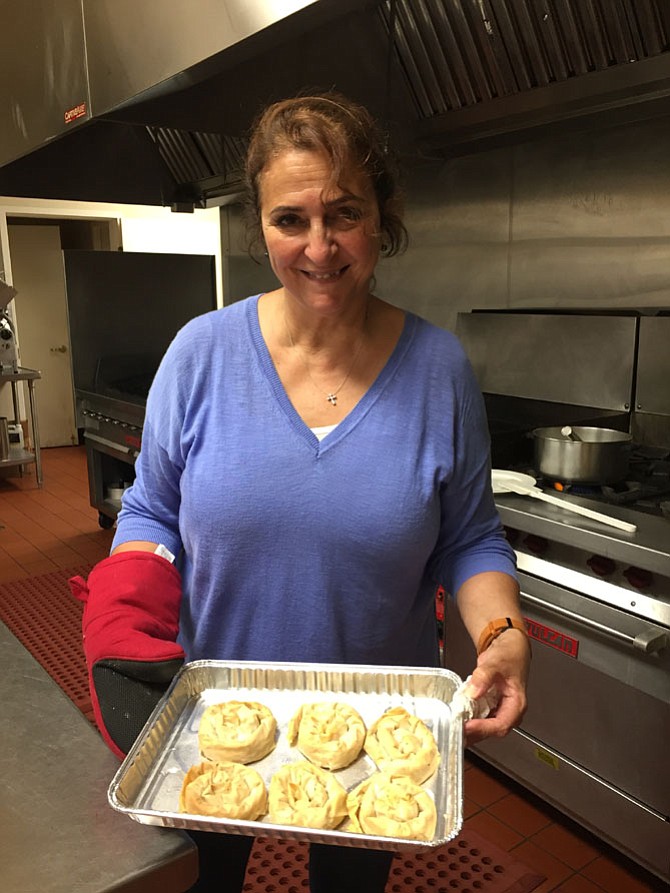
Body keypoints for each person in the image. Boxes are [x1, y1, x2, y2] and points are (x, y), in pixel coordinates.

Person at [70, 91, 530, 893]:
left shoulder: (438, 370)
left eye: (344, 213)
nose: (319, 247)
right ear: (261, 226)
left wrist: (500, 632)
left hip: (380, 725)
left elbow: (469, 537)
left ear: (381, 217)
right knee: (203, 882)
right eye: (291, 220)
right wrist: (125, 603)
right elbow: (149, 507)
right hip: (216, 713)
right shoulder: (200, 355)